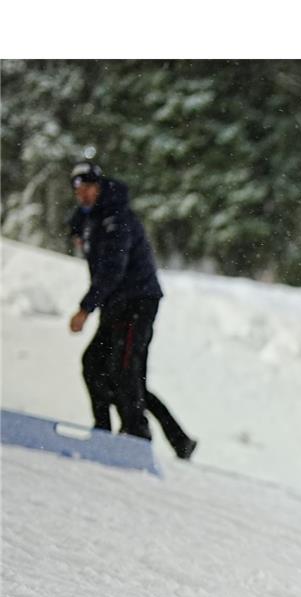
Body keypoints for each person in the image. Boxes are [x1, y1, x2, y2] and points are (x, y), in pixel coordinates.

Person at [67, 160, 197, 460]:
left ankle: (136, 436)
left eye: (89, 188)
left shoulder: (117, 218)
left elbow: (113, 269)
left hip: (137, 301)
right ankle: (108, 431)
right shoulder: (91, 219)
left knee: (124, 371)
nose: (83, 194)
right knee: (95, 365)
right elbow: (81, 231)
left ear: (99, 186)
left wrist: (85, 308)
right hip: (115, 303)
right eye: (79, 190)